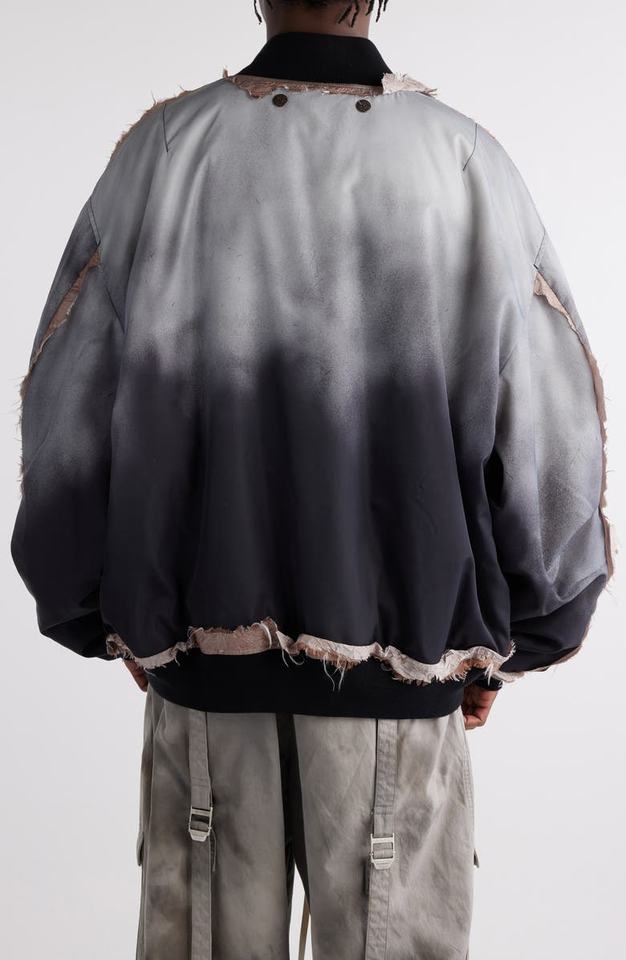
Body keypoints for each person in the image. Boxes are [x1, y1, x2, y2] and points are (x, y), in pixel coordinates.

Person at [11, 1, 614, 958]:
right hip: (405, 676)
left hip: (203, 681)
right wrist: (519, 637)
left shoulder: (163, 155)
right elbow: (550, 431)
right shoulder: (464, 166)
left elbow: (68, 410)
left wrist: (102, 609)